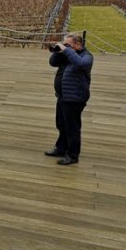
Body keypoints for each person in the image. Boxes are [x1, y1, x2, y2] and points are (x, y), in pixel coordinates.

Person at [45, 33, 94, 165]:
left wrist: (66, 50)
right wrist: (58, 51)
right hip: (62, 96)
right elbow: (52, 63)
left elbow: (80, 64)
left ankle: (73, 155)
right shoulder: (67, 55)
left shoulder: (86, 56)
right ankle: (61, 148)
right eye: (65, 44)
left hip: (74, 98)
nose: (65, 47)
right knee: (61, 124)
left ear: (78, 45)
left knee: (72, 128)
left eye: (68, 44)